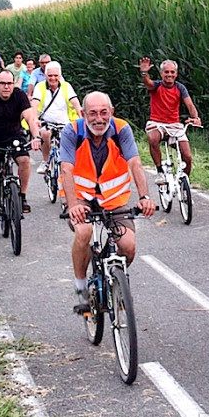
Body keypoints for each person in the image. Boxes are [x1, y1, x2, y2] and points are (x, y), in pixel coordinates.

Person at [59, 91, 155, 313]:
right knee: (84, 233)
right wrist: (73, 205)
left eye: (104, 112)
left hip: (114, 199)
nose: (98, 118)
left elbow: (135, 164)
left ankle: (115, 280)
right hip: (80, 197)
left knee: (128, 246)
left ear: (111, 112)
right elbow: (66, 169)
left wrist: (144, 197)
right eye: (92, 113)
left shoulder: (121, 129)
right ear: (83, 114)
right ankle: (81, 287)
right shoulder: (72, 131)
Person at [0, 69, 41, 217]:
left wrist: (36, 137)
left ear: (13, 84)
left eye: (9, 83)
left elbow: (30, 119)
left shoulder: (19, 96)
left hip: (14, 136)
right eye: (2, 83)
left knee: (24, 160)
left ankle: (22, 196)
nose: (6, 87)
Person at [139, 57, 201, 185]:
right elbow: (148, 83)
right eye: (166, 72)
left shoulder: (180, 88)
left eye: (172, 72)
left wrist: (195, 118)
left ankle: (185, 182)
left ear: (176, 74)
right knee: (153, 138)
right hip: (157, 123)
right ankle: (160, 171)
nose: (169, 75)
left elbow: (190, 105)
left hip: (174, 125)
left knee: (187, 156)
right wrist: (144, 73)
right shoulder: (156, 86)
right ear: (161, 73)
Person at [32, 61, 82, 173]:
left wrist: (81, 117)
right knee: (45, 134)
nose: (53, 78)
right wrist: (35, 119)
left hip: (64, 122)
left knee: (73, 139)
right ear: (45, 75)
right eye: (50, 75)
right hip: (47, 122)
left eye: (55, 75)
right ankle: (45, 162)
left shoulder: (66, 86)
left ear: (60, 76)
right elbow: (35, 104)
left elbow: (75, 103)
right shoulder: (40, 87)